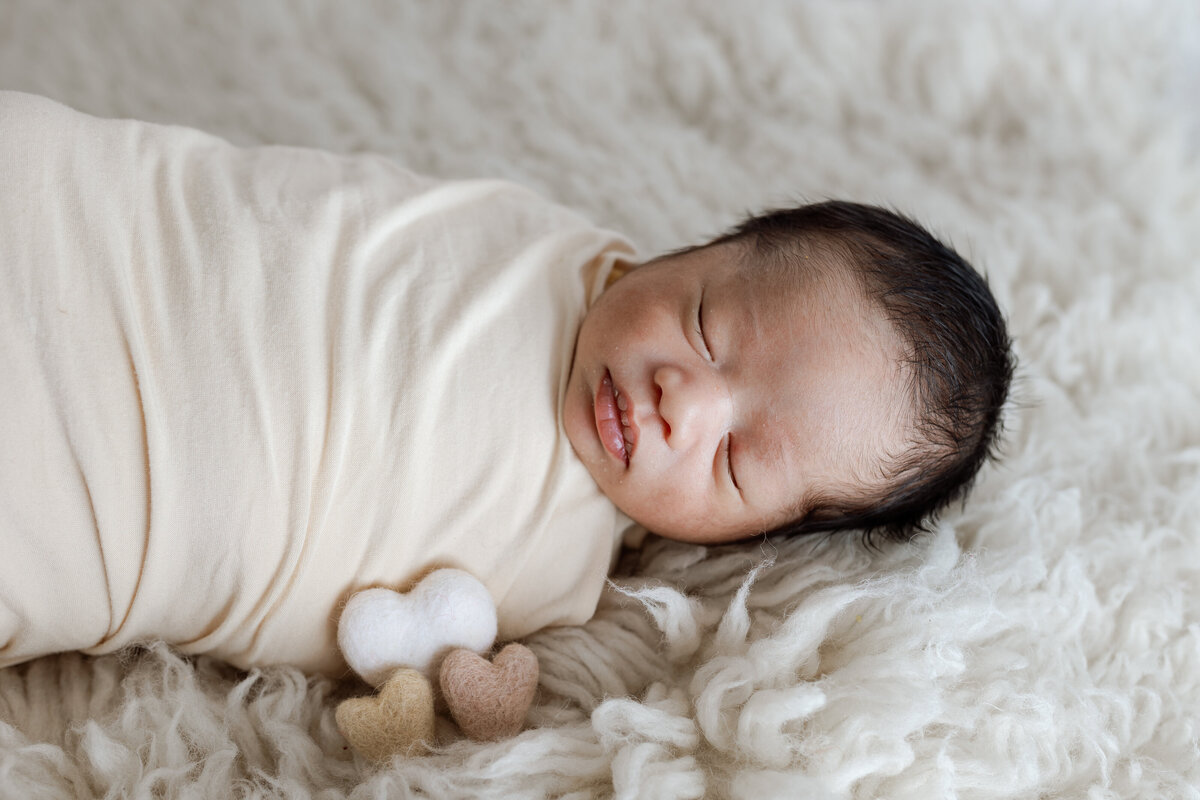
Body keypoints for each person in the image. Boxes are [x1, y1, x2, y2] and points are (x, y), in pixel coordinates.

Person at [0, 91, 1011, 676]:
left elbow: (418, 659)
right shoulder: (529, 245)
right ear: (690, 248)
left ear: (747, 535)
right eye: (707, 322)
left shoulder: (553, 577)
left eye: (738, 458)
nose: (683, 399)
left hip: (74, 510)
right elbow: (292, 219)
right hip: (94, 226)